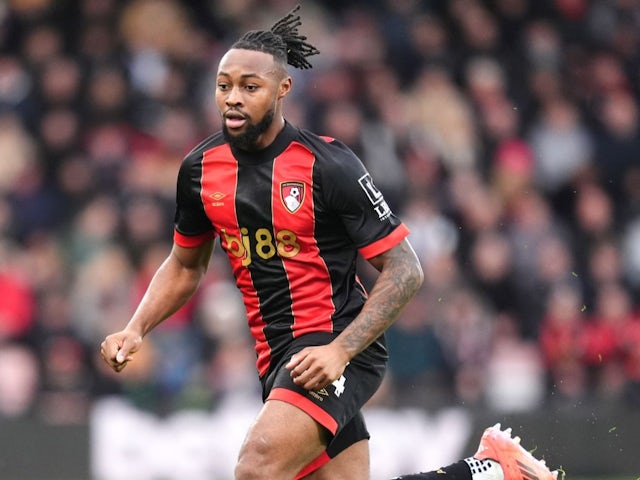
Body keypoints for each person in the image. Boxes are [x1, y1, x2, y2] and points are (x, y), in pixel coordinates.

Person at [100, 6, 558, 480]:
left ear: (283, 89)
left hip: (335, 344)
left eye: (249, 87)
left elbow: (406, 270)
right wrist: (136, 328)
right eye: (224, 85)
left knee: (255, 470)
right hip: (275, 357)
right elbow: (184, 265)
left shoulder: (328, 164)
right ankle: (491, 472)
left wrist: (340, 351)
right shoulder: (199, 170)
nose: (233, 98)